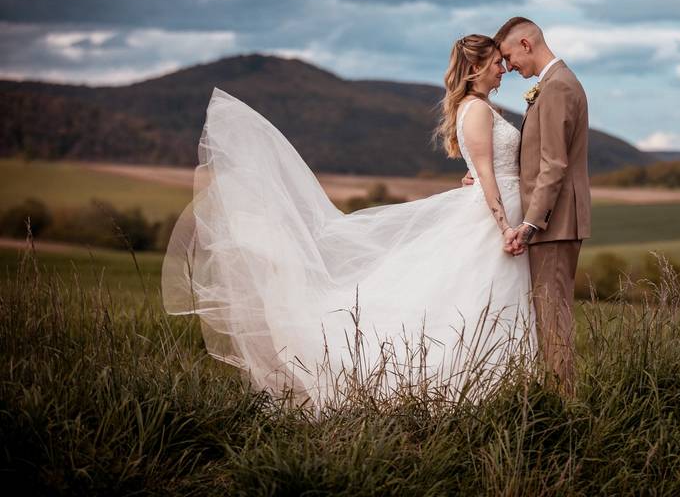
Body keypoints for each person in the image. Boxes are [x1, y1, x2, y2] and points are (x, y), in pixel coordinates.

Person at [161, 34, 537, 411]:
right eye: (494, 64)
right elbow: (487, 173)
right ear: (475, 69)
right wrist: (505, 226)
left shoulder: (479, 108)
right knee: (471, 299)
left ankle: (502, 384)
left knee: (480, 297)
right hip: (493, 218)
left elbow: (484, 169)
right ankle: (472, 388)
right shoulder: (477, 110)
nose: (502, 70)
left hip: (496, 210)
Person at [466, 17, 590, 398]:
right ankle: (555, 400)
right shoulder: (554, 84)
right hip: (555, 221)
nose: (508, 66)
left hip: (555, 223)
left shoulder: (555, 88)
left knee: (553, 320)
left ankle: (564, 409)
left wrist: (532, 223)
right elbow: (538, 158)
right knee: (547, 317)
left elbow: (554, 164)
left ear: (525, 44)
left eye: (507, 56)